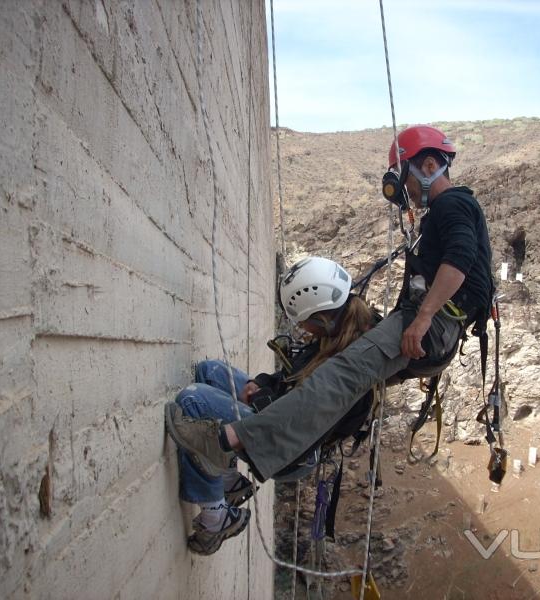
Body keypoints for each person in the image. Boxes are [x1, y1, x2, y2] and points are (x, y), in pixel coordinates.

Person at [166, 124, 494, 486]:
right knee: (342, 375)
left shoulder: (453, 202)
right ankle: (242, 442)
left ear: (429, 166)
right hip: (433, 328)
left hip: (431, 326)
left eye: (407, 181)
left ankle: (231, 440)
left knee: (341, 375)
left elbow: (460, 260)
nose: (408, 194)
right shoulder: (447, 210)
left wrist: (423, 318)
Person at [171, 256, 376, 555]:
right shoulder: (333, 336)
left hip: (287, 446)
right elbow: (290, 377)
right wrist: (263, 385)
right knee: (209, 371)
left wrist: (263, 401)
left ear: (321, 316)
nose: (302, 328)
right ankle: (228, 481)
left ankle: (216, 517)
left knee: (193, 401)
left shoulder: (345, 376)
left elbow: (298, 422)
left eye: (304, 321)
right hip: (277, 416)